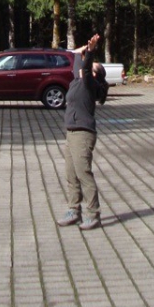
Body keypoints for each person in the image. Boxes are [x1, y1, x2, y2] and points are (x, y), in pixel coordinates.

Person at [58, 34, 105, 232]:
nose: (83, 66)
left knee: (83, 174)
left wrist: (91, 51)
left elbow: (85, 66)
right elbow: (76, 59)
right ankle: (73, 210)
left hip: (83, 134)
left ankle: (93, 214)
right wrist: (83, 49)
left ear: (93, 75)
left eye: (89, 68)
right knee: (71, 174)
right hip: (71, 133)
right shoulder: (77, 81)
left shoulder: (88, 85)